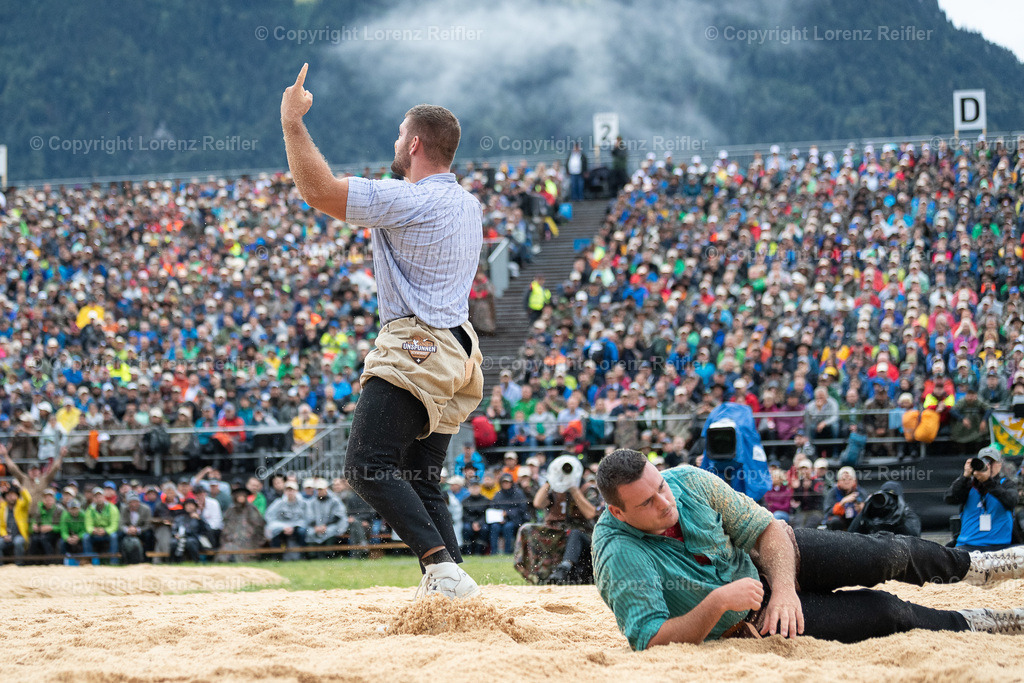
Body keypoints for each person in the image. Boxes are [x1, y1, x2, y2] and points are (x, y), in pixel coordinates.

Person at [282, 66, 483, 598]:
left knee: (367, 465)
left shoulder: (409, 198)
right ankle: (452, 587)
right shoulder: (468, 203)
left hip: (420, 345)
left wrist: (292, 124)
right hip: (461, 351)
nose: (394, 144)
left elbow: (317, 191)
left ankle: (441, 570)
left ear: (415, 144)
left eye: (399, 136)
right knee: (420, 478)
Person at [593, 449, 1024, 650]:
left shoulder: (688, 479)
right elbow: (649, 639)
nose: (664, 502)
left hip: (770, 564)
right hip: (745, 620)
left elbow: (766, 528)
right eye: (647, 502)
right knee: (888, 613)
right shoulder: (617, 553)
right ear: (617, 511)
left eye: (661, 486)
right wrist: (718, 602)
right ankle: (980, 621)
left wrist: (784, 589)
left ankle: (979, 565)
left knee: (886, 554)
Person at [945, 446, 1018, 551]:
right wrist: (964, 477)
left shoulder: (1006, 484)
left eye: (991, 462)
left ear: (999, 465)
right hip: (968, 544)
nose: (987, 466)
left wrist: (988, 482)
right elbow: (950, 498)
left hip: (999, 546)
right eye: (984, 462)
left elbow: (1011, 501)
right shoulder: (969, 484)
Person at [848, 482, 922, 537]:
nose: (889, 503)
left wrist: (900, 519)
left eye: (893, 498)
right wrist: (866, 509)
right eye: (886, 495)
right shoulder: (874, 512)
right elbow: (851, 534)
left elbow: (914, 537)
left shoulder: (907, 514)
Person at [218, 482, 266, 563]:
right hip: (231, 538)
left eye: (242, 496)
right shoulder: (231, 510)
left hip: (248, 539)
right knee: (227, 547)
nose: (241, 498)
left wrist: (248, 532)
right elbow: (226, 525)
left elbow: (258, 525)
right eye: (239, 496)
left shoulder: (251, 509)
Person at [264, 481, 307, 561]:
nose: (290, 492)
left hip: (297, 527)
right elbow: (268, 516)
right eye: (288, 490)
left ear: (296, 491)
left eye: (292, 490)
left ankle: (303, 555)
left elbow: (306, 518)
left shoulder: (303, 503)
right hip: (281, 527)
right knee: (273, 533)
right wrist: (283, 527)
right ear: (285, 491)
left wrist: (294, 527)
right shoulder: (278, 502)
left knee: (302, 532)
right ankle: (277, 557)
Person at [487, 473, 529, 554]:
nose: (506, 484)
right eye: (504, 482)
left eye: (508, 482)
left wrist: (508, 513)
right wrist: (499, 517)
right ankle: (493, 551)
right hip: (499, 520)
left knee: (508, 527)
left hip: (515, 520)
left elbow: (522, 509)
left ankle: (507, 551)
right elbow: (493, 507)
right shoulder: (498, 495)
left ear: (511, 483)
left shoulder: (518, 494)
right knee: (494, 527)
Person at [305, 478, 348, 553]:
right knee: (310, 532)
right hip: (316, 527)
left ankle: (328, 553)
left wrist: (325, 526)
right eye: (318, 489)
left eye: (321, 489)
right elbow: (309, 515)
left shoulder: (335, 500)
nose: (320, 491)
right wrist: (315, 527)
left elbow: (338, 515)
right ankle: (313, 554)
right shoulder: (312, 502)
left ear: (326, 488)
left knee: (331, 531)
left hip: (331, 525)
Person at [84, 487, 120, 565]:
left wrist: (105, 531)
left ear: (104, 497)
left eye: (100, 496)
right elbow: (88, 525)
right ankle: (89, 562)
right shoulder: (89, 509)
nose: (98, 498)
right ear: (93, 498)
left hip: (107, 533)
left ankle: (114, 561)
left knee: (114, 536)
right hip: (95, 533)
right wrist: (93, 530)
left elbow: (114, 525)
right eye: (96, 496)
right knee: (86, 537)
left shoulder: (112, 508)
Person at [118, 492, 153, 564]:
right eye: (131, 502)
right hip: (128, 531)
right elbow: (120, 524)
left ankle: (146, 558)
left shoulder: (146, 509)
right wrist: (127, 529)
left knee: (148, 534)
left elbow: (148, 525)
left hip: (141, 531)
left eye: (136, 502)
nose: (134, 504)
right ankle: (123, 558)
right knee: (119, 534)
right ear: (128, 503)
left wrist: (137, 529)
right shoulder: (123, 509)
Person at [0, 484, 31, 563]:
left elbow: (28, 499)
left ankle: (19, 564)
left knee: (18, 542)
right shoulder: (2, 508)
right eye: (8, 495)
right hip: (7, 536)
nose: (11, 497)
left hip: (19, 535)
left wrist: (20, 487)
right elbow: (1, 526)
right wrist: (4, 535)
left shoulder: (21, 506)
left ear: (17, 496)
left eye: (13, 494)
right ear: (5, 497)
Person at [30, 488, 63, 560]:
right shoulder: (39, 508)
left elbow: (62, 527)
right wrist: (34, 525)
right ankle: (32, 561)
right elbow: (33, 521)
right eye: (46, 498)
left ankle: (51, 561)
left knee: (44, 539)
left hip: (54, 533)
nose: (48, 500)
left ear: (54, 499)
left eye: (50, 498)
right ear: (43, 500)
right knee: (34, 539)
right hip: (40, 532)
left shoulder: (59, 510)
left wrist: (51, 527)